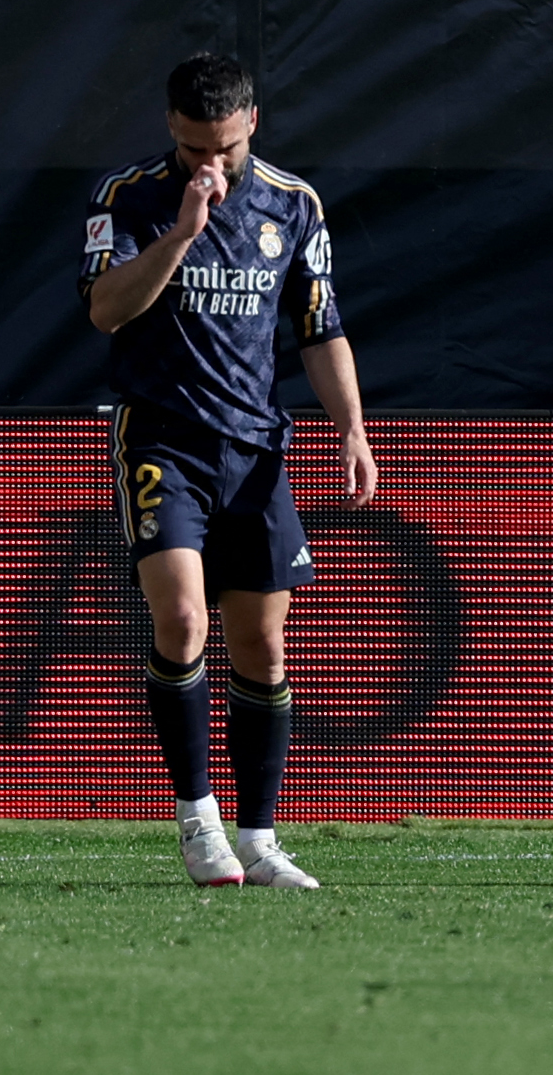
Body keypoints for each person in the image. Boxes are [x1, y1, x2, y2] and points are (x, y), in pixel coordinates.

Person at [79, 53, 376, 890]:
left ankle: (259, 836)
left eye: (225, 150)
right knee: (180, 619)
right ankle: (196, 819)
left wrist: (351, 429)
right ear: (171, 129)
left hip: (255, 446)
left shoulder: (293, 204)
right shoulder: (128, 197)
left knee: (265, 644)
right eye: (193, 149)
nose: (210, 166)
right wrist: (181, 231)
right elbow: (105, 311)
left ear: (252, 121)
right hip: (162, 439)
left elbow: (320, 329)